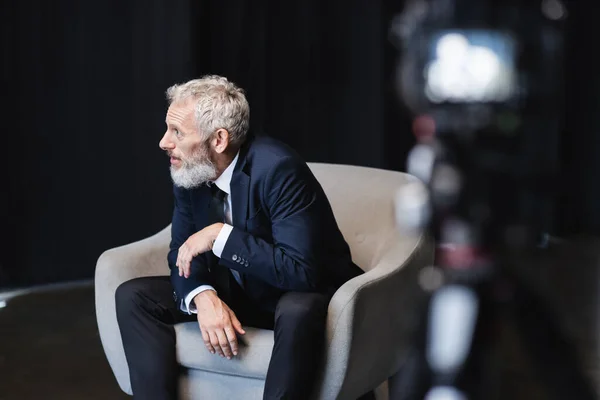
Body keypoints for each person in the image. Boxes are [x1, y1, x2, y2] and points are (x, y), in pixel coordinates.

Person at [115, 75, 366, 399]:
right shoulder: (190, 170)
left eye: (177, 132)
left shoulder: (278, 168)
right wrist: (203, 297)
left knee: (299, 309)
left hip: (292, 291)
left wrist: (221, 237)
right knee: (134, 296)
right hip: (236, 289)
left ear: (219, 139)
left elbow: (302, 271)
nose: (165, 142)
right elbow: (182, 250)